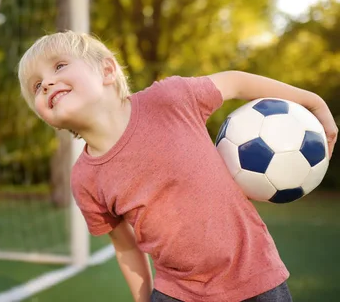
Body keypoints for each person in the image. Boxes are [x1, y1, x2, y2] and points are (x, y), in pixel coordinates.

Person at [17, 31, 338, 302]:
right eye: (35, 86)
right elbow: (126, 249)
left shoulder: (169, 99)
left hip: (256, 280)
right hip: (177, 293)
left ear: (107, 71)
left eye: (59, 66)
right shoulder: (85, 179)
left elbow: (236, 82)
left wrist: (312, 101)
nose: (46, 83)